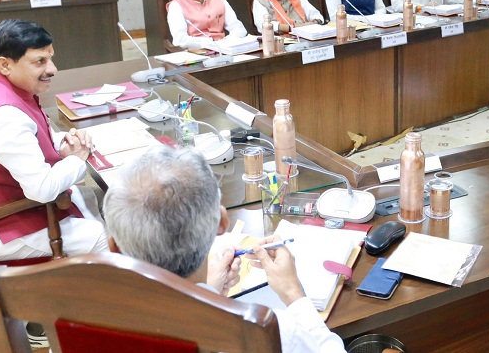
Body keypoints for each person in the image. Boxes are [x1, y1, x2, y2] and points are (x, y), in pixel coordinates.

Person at [104, 145, 347, 352]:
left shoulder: (91, 318)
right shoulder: (267, 329)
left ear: (114, 247)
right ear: (222, 222)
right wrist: (294, 294)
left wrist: (208, 292)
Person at [0, 20, 107, 261]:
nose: (53, 69)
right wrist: (77, 159)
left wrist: (62, 142)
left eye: (50, 58)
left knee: (88, 197)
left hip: (6, 195)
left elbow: (28, 136)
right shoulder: (3, 115)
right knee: (98, 235)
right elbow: (41, 190)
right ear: (5, 64)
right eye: (40, 62)